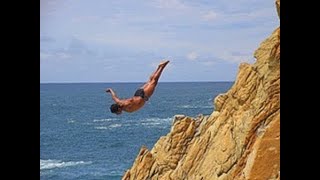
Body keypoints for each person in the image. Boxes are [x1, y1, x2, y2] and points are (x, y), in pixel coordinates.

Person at [106, 60, 170, 115]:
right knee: (150, 81)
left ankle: (162, 67)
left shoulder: (124, 105)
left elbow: (129, 101)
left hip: (143, 95)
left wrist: (143, 98)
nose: (117, 114)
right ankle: (159, 67)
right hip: (138, 93)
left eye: (117, 112)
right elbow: (114, 97)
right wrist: (110, 90)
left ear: (118, 108)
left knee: (154, 82)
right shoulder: (119, 103)